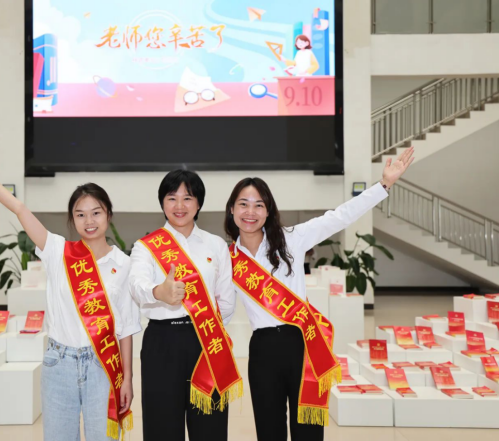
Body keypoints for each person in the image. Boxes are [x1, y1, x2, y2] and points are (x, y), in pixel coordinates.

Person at [0, 142, 140, 441]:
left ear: (108, 214)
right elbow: (19, 208)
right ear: (72, 219)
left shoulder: (124, 263)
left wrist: (127, 378)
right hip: (59, 364)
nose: (89, 221)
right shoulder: (58, 251)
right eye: (80, 215)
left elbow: (126, 327)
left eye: (96, 213)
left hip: (103, 365)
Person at [224, 148, 415, 441]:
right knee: (268, 430)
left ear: (268, 210)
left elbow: (339, 217)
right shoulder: (227, 258)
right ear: (232, 210)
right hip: (262, 350)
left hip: (301, 343)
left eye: (258, 205)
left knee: (308, 430)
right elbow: (222, 305)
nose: (250, 212)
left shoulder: (291, 239)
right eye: (243, 204)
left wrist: (384, 185)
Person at [128, 170, 242, 441]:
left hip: (207, 342)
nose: (179, 206)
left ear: (199, 203)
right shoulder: (146, 247)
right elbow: (136, 285)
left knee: (211, 428)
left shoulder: (216, 245)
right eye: (172, 198)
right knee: (162, 428)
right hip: (162, 344)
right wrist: (159, 292)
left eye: (187, 198)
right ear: (162, 203)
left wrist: (206, 326)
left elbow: (226, 301)